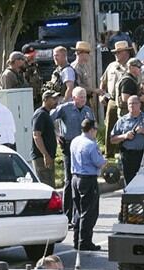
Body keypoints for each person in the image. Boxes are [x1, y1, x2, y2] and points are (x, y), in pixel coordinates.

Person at [51, 87, 95, 224]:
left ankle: (80, 214)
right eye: (80, 97)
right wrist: (56, 134)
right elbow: (48, 119)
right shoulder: (65, 108)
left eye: (84, 97)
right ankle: (67, 215)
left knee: (82, 179)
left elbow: (93, 128)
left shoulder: (88, 110)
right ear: (74, 97)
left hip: (84, 148)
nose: (83, 99)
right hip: (69, 145)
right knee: (69, 180)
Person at [70, 119, 106, 251]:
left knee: (78, 211)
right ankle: (85, 242)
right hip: (88, 179)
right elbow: (99, 162)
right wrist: (105, 161)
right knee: (89, 212)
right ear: (91, 130)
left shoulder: (75, 141)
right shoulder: (91, 145)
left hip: (75, 178)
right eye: (95, 129)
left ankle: (77, 240)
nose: (96, 132)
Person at [99, 40, 132, 156]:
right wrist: (102, 95)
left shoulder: (132, 66)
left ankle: (124, 151)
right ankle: (109, 152)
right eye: (115, 52)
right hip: (112, 100)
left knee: (127, 126)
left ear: (126, 53)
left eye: (118, 52)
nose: (116, 55)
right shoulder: (111, 66)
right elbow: (103, 83)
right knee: (110, 126)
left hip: (126, 101)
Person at [110, 95, 144, 185]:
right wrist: (124, 136)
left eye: (135, 103)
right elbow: (112, 140)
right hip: (128, 156)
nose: (132, 106)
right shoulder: (122, 121)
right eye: (130, 104)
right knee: (130, 183)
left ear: (140, 104)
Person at [32, 90, 59, 186]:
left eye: (57, 98)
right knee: (46, 187)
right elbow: (36, 135)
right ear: (45, 99)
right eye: (53, 98)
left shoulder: (47, 114)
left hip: (48, 156)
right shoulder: (40, 114)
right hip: (41, 158)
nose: (56, 101)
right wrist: (45, 155)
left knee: (50, 186)